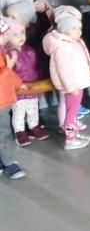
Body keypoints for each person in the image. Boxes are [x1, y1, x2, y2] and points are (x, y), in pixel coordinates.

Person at [43, 9, 90, 150]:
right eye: (74, 28)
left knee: (73, 112)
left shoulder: (72, 42)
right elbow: (64, 71)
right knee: (71, 115)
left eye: (79, 28)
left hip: (76, 84)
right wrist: (71, 87)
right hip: (72, 86)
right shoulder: (62, 48)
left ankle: (74, 134)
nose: (79, 31)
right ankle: (70, 140)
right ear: (64, 30)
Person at [2, 17, 47, 146]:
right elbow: (9, 74)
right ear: (6, 38)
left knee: (33, 110)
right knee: (19, 113)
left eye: (22, 33)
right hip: (18, 91)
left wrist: (39, 80)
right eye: (15, 35)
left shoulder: (30, 50)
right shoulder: (7, 54)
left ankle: (34, 127)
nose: (21, 37)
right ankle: (20, 132)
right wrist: (16, 85)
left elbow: (36, 67)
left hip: (32, 88)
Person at [0, 16, 27, 179]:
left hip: (4, 99)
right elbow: (4, 73)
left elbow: (8, 74)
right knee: (3, 133)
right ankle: (8, 163)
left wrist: (18, 83)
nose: (5, 37)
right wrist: (9, 67)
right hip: (1, 102)